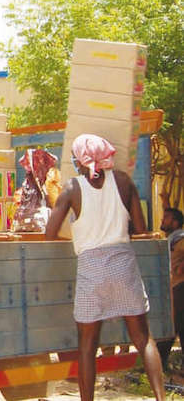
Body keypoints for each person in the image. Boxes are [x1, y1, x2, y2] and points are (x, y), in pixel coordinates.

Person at [45, 134, 165, 401]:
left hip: (91, 270)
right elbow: (141, 228)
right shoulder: (123, 181)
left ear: (79, 160)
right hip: (123, 265)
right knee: (143, 339)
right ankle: (160, 397)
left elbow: (49, 234)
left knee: (87, 346)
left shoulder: (72, 188)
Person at [156, 189, 184, 368]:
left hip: (179, 286)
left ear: (174, 222)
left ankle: (159, 364)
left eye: (165, 218)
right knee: (174, 326)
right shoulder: (173, 236)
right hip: (174, 287)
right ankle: (159, 364)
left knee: (173, 326)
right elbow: (171, 217)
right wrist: (165, 201)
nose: (162, 220)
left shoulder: (180, 237)